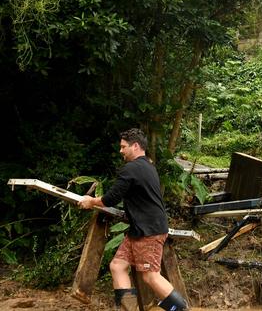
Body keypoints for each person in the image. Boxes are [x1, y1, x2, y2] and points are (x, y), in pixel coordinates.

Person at [79, 128, 187, 311]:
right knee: (117, 266)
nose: (120, 151)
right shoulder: (148, 167)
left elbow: (111, 198)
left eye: (123, 147)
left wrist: (91, 201)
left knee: (150, 276)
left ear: (135, 146)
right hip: (139, 231)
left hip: (149, 232)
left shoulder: (132, 168)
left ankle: (181, 309)